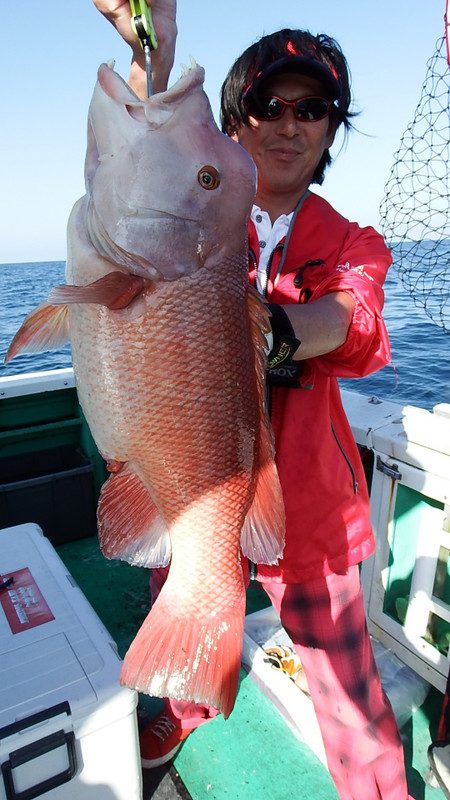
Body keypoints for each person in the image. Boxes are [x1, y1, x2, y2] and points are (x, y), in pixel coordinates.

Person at [94, 3, 415, 798]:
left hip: (307, 509)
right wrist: (152, 49)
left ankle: (377, 788)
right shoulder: (190, 213)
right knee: (187, 612)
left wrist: (269, 330)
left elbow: (355, 321)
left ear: (332, 130)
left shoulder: (353, 242)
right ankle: (182, 706)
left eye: (312, 108)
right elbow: (140, 156)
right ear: (234, 119)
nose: (288, 122)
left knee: (347, 693)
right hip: (193, 484)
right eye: (269, 104)